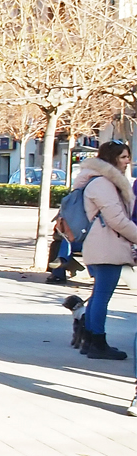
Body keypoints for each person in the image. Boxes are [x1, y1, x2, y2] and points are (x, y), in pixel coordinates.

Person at [72, 141, 136, 362]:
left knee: (99, 294)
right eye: (124, 157)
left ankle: (90, 340)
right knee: (101, 296)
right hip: (106, 245)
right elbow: (117, 219)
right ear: (112, 158)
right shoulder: (102, 184)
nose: (128, 162)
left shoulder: (98, 181)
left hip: (102, 243)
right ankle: (97, 342)